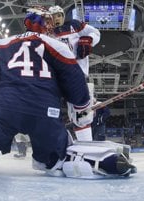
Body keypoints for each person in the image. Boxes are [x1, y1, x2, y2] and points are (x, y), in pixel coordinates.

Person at [0, 7, 136, 178]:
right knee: (56, 156)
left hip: (6, 106)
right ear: (46, 25)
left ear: (24, 22)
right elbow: (74, 79)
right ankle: (90, 159)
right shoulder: (56, 44)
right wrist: (80, 105)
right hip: (45, 111)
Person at [49, 5, 101, 141]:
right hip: (55, 78)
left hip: (76, 75)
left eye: (59, 15)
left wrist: (88, 40)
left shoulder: (75, 26)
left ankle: (86, 146)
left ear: (63, 16)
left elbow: (96, 33)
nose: (56, 19)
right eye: (53, 16)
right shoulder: (46, 33)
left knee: (82, 116)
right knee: (49, 111)